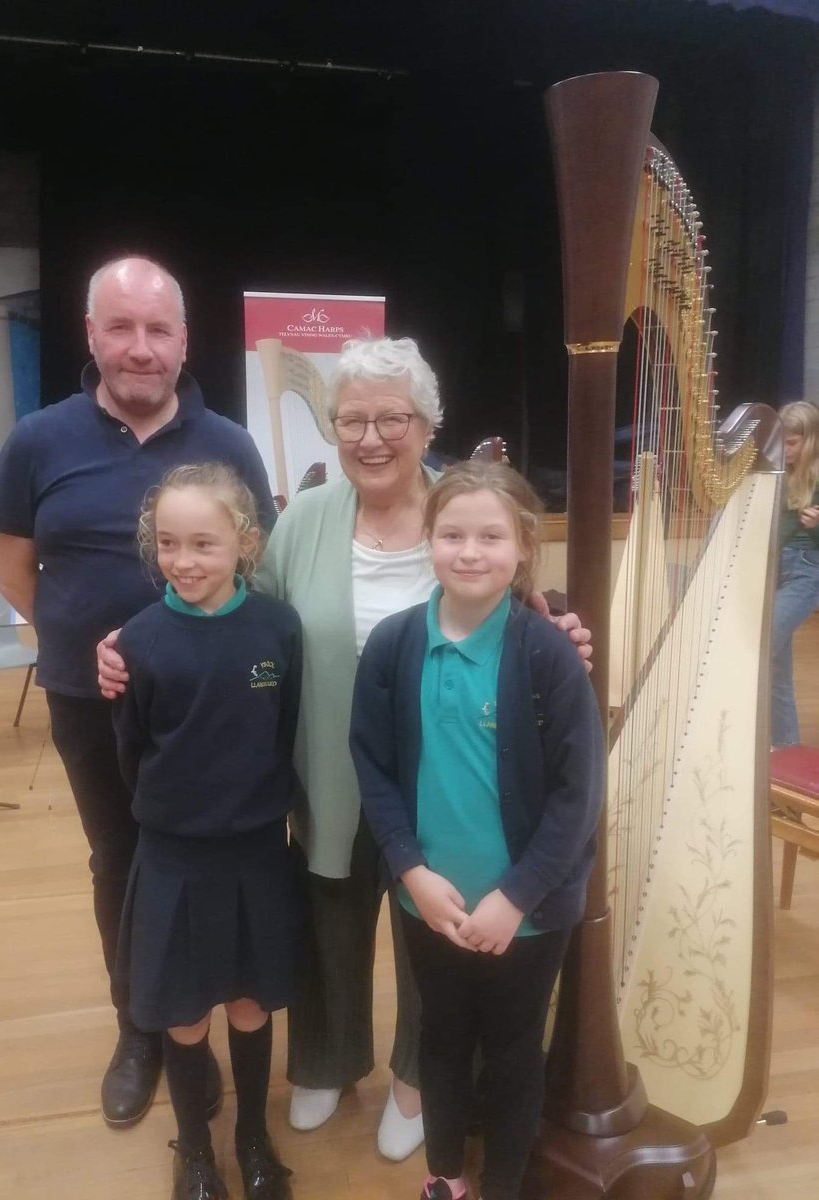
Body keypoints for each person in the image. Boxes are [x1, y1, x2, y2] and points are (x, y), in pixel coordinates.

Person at [98, 337, 592, 1161]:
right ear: (334, 429)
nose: (371, 437)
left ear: (425, 422)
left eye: (391, 417)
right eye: (352, 419)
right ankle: (326, 1061)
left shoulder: (464, 513)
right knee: (328, 917)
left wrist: (559, 627)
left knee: (430, 929)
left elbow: (512, 599)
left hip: (442, 778)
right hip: (325, 762)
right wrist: (133, 645)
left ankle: (415, 1078)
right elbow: (231, 605)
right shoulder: (306, 519)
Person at [0, 257, 275, 1127]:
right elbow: (11, 569)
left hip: (212, 711)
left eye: (157, 331)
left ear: (183, 341)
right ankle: (143, 1028)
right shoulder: (39, 440)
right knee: (122, 863)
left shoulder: (229, 445)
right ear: (91, 335)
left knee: (207, 858)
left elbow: (257, 574)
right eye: (121, 327)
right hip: (88, 702)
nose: (140, 349)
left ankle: (211, 1017)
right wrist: (83, 643)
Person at [350, 461, 603, 1200]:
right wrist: (411, 872)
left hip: (526, 912)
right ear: (427, 540)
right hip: (429, 901)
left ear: (523, 546)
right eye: (452, 533)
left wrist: (516, 897)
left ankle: (506, 1185)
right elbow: (372, 765)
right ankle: (448, 1177)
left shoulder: (549, 656)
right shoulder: (395, 646)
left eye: (491, 536)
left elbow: (576, 795)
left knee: (516, 1048)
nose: (469, 551)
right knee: (441, 1038)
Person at [113, 463, 300, 1200]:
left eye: (204, 544)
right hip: (174, 858)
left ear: (245, 543)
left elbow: (284, 733)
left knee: (250, 1004)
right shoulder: (139, 640)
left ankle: (252, 1136)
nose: (184, 561)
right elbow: (133, 754)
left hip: (256, 854)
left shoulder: (278, 630)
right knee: (185, 1016)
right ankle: (194, 1150)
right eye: (168, 543)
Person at [772, 401, 819, 747]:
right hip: (774, 569)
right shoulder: (775, 474)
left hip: (807, 570)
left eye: (792, 443)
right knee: (777, 672)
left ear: (810, 440)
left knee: (759, 649)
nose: (785, 450)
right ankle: (786, 749)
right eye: (781, 441)